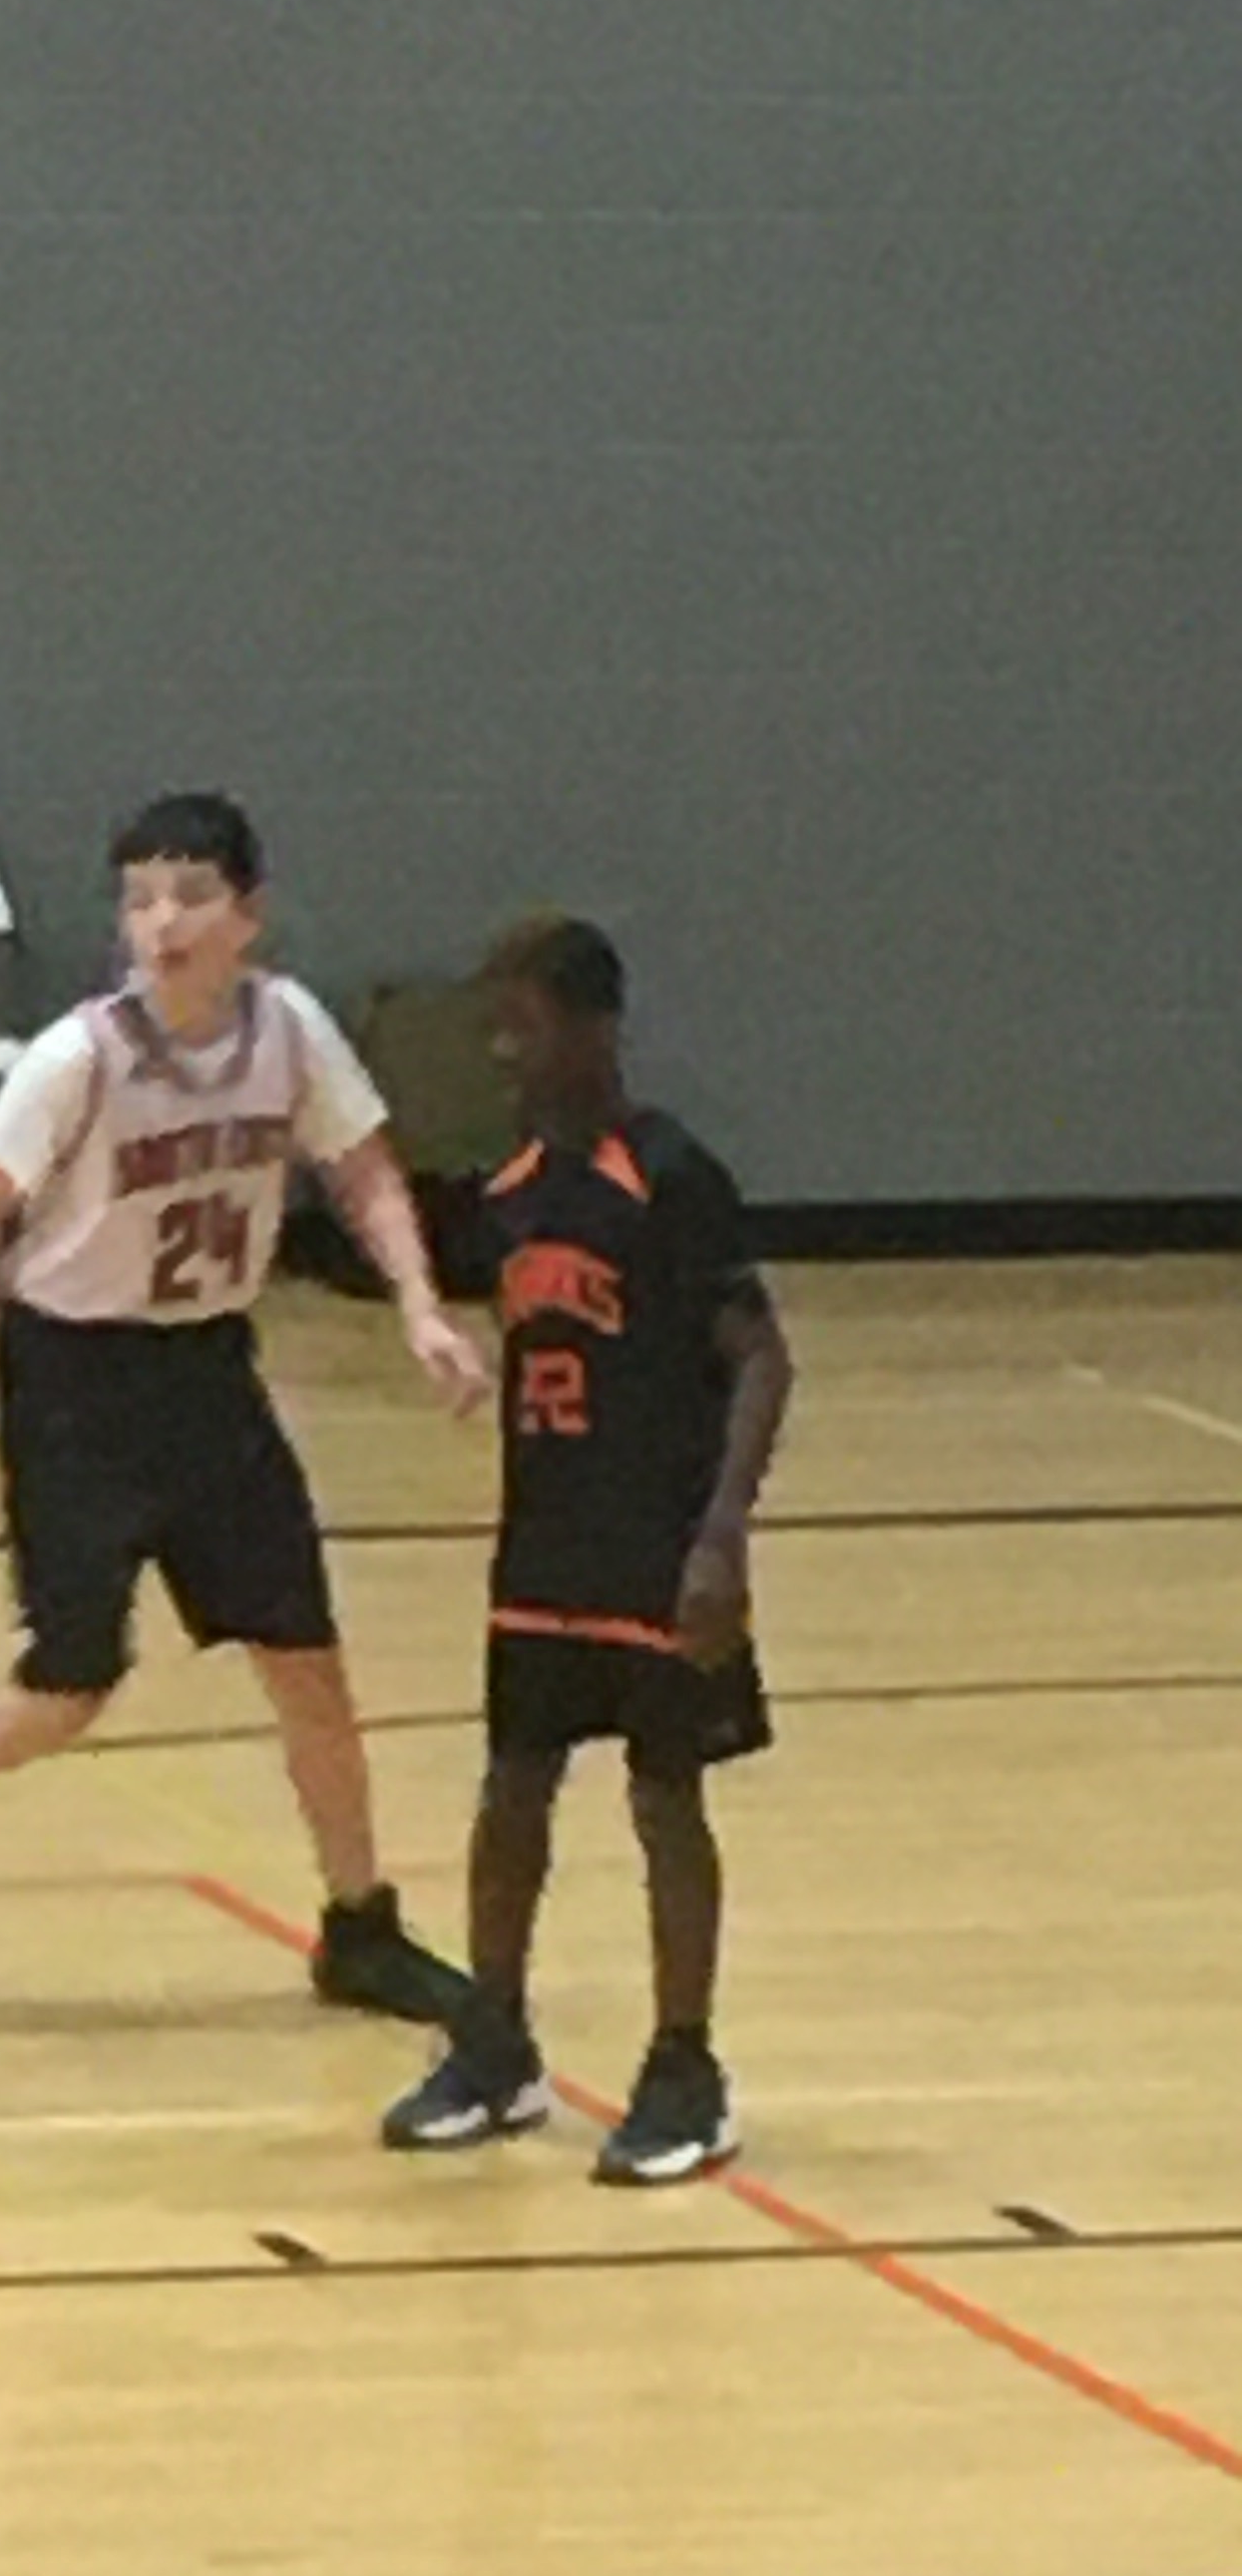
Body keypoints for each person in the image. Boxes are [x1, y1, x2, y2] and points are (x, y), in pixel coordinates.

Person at [0, 789, 491, 2020]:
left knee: (306, 1659)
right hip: (75, 1381)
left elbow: (364, 1167)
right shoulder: (79, 1058)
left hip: (208, 1370)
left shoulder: (291, 1031)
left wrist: (421, 1304)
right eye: (141, 901)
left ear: (248, 916)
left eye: (192, 897)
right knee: (69, 1681)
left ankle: (360, 1926)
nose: (164, 923)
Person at [381, 915, 793, 2185]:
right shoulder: (511, 1192)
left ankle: (686, 2072)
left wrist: (723, 1534)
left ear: (596, 1027)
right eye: (497, 1027)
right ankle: (496, 2043)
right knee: (513, 1788)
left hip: (659, 1544)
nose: (507, 1050)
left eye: (527, 1024)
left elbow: (763, 1359)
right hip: (544, 1542)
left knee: (666, 1799)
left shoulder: (669, 1175)